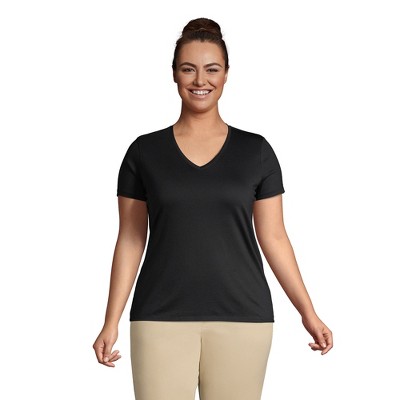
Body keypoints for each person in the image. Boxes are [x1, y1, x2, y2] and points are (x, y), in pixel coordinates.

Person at [93, 17, 333, 400]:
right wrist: (111, 321)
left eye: (212, 69)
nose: (200, 80)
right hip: (158, 318)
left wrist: (308, 312)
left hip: (243, 319)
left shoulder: (256, 151)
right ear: (174, 74)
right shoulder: (144, 152)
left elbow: (274, 238)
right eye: (188, 69)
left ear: (226, 75)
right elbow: (131, 240)